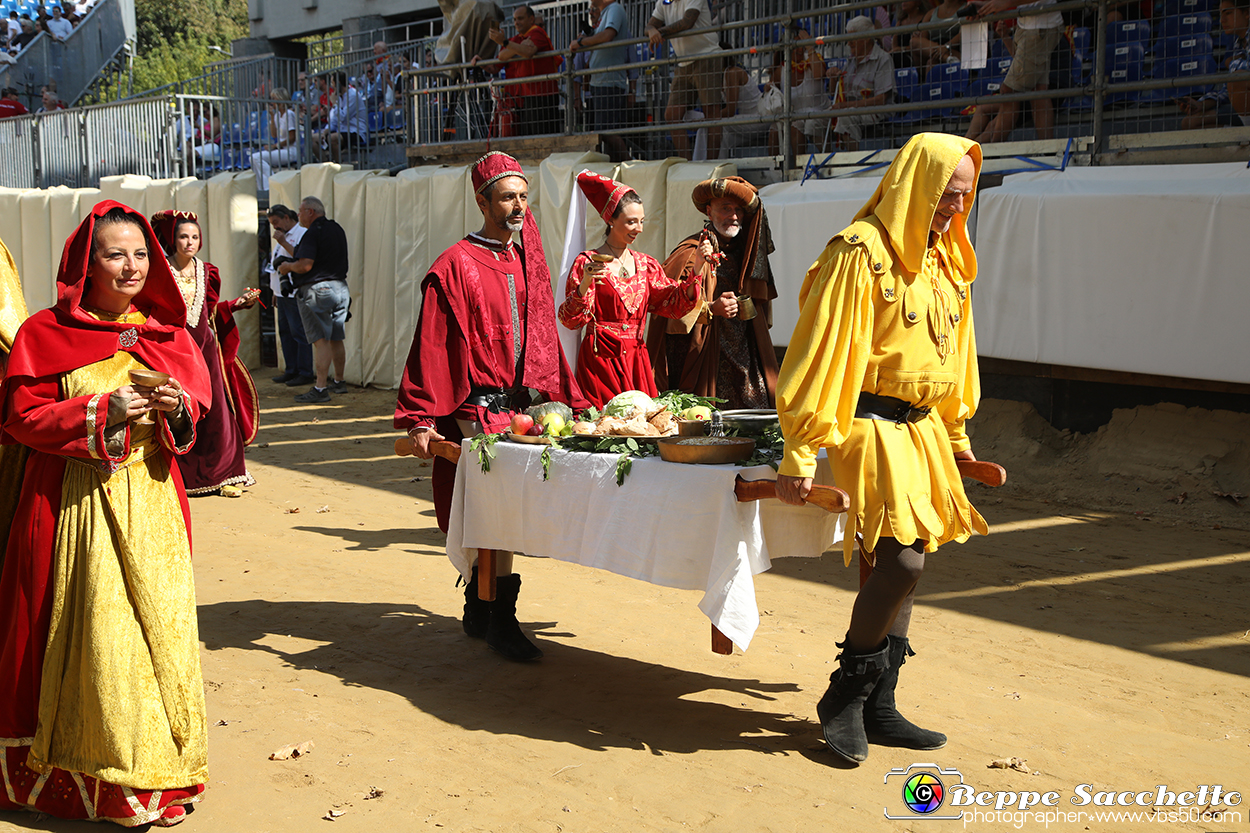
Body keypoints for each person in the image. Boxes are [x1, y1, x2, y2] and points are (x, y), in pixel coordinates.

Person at [774, 133, 987, 765]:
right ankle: (844, 696)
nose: (956, 207)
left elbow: (955, 358)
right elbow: (819, 355)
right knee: (902, 563)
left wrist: (955, 438)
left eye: (967, 196)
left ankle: (879, 703)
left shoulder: (948, 260)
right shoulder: (859, 253)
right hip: (868, 424)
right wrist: (800, 454)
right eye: (949, 194)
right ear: (918, 183)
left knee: (911, 561)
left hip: (921, 431)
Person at [0, 201, 212, 825]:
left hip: (151, 509)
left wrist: (175, 409)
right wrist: (100, 412)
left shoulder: (168, 336)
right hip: (67, 505)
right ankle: (80, 780)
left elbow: (195, 419)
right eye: (115, 255)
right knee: (87, 637)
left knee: (149, 641)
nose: (132, 267)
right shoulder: (45, 333)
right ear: (84, 265)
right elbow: (20, 418)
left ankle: (149, 779)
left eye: (142, 254)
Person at [394, 151, 586, 661]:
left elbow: (544, 336)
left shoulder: (528, 259)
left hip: (519, 412)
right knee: (494, 514)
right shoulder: (453, 264)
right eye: (507, 197)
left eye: (524, 196)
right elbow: (431, 344)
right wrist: (419, 416)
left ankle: (481, 608)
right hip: (474, 411)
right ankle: (500, 618)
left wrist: (558, 395)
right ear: (482, 201)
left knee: (508, 513)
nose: (519, 205)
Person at [557, 171, 702, 407]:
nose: (639, 228)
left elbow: (674, 303)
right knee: (603, 427)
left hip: (637, 360)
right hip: (600, 360)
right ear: (611, 220)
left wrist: (697, 266)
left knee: (642, 428)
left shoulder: (647, 265)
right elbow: (570, 320)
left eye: (642, 221)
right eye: (631, 221)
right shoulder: (588, 263)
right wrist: (585, 282)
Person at [150, 210, 259, 496]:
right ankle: (181, 474)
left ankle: (226, 473)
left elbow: (211, 313)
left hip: (206, 350)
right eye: (183, 237)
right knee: (180, 407)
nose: (190, 242)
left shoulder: (208, 272)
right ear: (172, 240)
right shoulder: (161, 270)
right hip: (175, 350)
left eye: (195, 237)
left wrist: (237, 304)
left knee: (217, 409)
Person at [646, 176, 779, 409]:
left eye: (738, 209)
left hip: (745, 355)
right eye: (726, 208)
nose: (734, 216)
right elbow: (667, 310)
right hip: (704, 359)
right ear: (709, 211)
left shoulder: (747, 254)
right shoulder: (689, 253)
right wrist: (711, 309)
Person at [277, 196, 350, 403]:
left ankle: (320, 388)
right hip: (340, 288)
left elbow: (305, 265)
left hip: (317, 290)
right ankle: (339, 381)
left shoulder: (312, 233)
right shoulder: (336, 229)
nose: (298, 215)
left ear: (310, 212)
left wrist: (287, 267)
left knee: (321, 340)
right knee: (336, 337)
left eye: (300, 211)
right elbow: (308, 258)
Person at [964, 0, 1063, 143]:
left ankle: (996, 149)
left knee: (1008, 92)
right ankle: (1048, 148)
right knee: (1039, 91)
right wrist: (988, 5)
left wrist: (1005, 3)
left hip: (1040, 27)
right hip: (1031, 26)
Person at [646, 0, 723, 159]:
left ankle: (712, 164)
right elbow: (648, 27)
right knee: (672, 115)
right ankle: (686, 165)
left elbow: (688, 21)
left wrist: (658, 32)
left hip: (706, 56)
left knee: (712, 114)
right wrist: (652, 30)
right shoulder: (663, 2)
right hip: (683, 61)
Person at [825, 16, 895, 152]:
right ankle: (825, 161)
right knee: (814, 122)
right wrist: (833, 78)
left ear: (867, 38)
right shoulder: (851, 61)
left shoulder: (883, 59)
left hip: (874, 111)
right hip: (849, 108)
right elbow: (835, 94)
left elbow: (881, 99)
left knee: (846, 117)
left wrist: (846, 106)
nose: (849, 44)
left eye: (853, 39)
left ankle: (852, 163)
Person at [489, 5, 561, 136]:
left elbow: (528, 51)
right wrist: (516, 47)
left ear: (531, 19)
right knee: (529, 137)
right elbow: (502, 56)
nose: (516, 22)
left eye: (520, 18)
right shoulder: (519, 38)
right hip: (525, 97)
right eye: (515, 19)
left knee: (543, 138)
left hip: (542, 95)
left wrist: (506, 43)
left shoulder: (537, 32)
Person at [570, 0, 630, 156]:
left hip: (609, 81)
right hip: (601, 81)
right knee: (604, 131)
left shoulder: (614, 9)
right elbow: (602, 37)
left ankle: (629, 162)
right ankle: (620, 165)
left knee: (605, 131)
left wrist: (581, 42)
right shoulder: (607, 13)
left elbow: (608, 35)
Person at [1179, 0, 1249, 129]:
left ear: (1247, 13)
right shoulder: (1239, 44)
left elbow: (1240, 81)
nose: (1222, 20)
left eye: (1228, 13)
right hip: (1243, 109)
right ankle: (1240, 141)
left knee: (1237, 78)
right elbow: (1227, 90)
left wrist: (1234, 63)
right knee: (1189, 122)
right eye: (1220, 14)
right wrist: (1202, 104)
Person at [265, 204, 314, 387]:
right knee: (285, 332)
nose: (275, 227)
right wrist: (275, 291)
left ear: (287, 217)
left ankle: (305, 371)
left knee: (299, 332)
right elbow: (275, 266)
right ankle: (291, 369)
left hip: (295, 292)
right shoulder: (282, 237)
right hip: (282, 292)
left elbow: (301, 258)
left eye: (276, 222)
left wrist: (283, 241)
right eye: (272, 224)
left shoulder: (300, 233)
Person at [766, 25, 830, 156]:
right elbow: (772, 91)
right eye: (796, 46)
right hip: (795, 116)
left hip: (819, 111)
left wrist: (809, 46)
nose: (800, 49)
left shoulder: (813, 59)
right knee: (776, 129)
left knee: (805, 124)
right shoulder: (780, 70)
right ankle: (778, 170)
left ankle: (825, 160)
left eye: (801, 44)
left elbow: (819, 74)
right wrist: (768, 88)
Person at [250, 87, 298, 191]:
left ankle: (269, 186)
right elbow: (274, 135)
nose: (271, 101)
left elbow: (292, 138)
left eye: (273, 98)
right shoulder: (277, 115)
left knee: (257, 157)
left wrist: (275, 146)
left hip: (291, 150)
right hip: (282, 149)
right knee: (253, 158)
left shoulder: (289, 114)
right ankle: (263, 187)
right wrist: (272, 116)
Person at [321, 71, 368, 163]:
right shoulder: (339, 96)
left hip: (356, 131)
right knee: (315, 139)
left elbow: (343, 117)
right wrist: (326, 130)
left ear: (338, 83)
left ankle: (339, 165)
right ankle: (326, 163)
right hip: (343, 130)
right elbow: (335, 120)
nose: (331, 86)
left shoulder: (353, 95)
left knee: (333, 138)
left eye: (332, 83)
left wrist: (334, 104)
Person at [910, 0, 964, 72]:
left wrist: (946, 46)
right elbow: (923, 39)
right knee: (914, 41)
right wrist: (939, 49)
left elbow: (962, 34)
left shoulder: (965, 8)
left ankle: (946, 57)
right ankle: (947, 58)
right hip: (931, 50)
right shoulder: (931, 13)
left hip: (953, 49)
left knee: (931, 63)